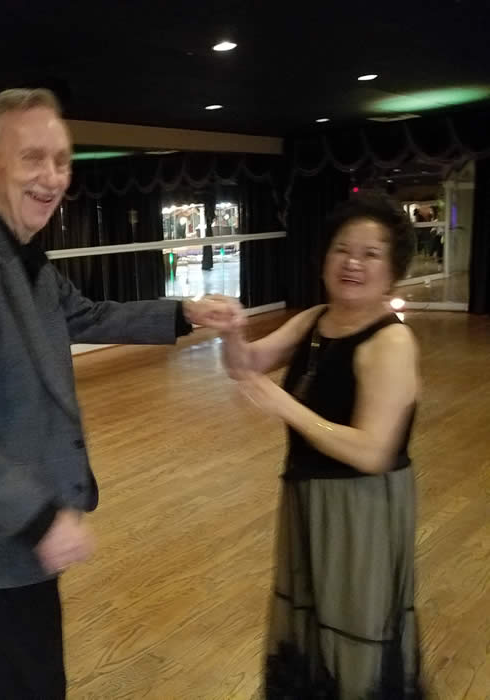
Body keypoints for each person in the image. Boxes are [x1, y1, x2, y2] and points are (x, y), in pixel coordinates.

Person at [0, 87, 243, 699]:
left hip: (11, 512)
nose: (53, 177)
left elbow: (83, 314)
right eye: (33, 157)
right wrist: (39, 519)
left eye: (61, 160)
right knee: (31, 679)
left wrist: (184, 312)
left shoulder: (15, 248)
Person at [222, 194, 425, 698]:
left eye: (370, 254)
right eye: (342, 249)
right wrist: (231, 331)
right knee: (314, 619)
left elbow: (372, 452)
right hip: (309, 492)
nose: (352, 263)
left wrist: (285, 406)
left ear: (392, 271)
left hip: (361, 506)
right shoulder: (317, 318)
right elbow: (247, 364)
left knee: (353, 627)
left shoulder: (391, 343)